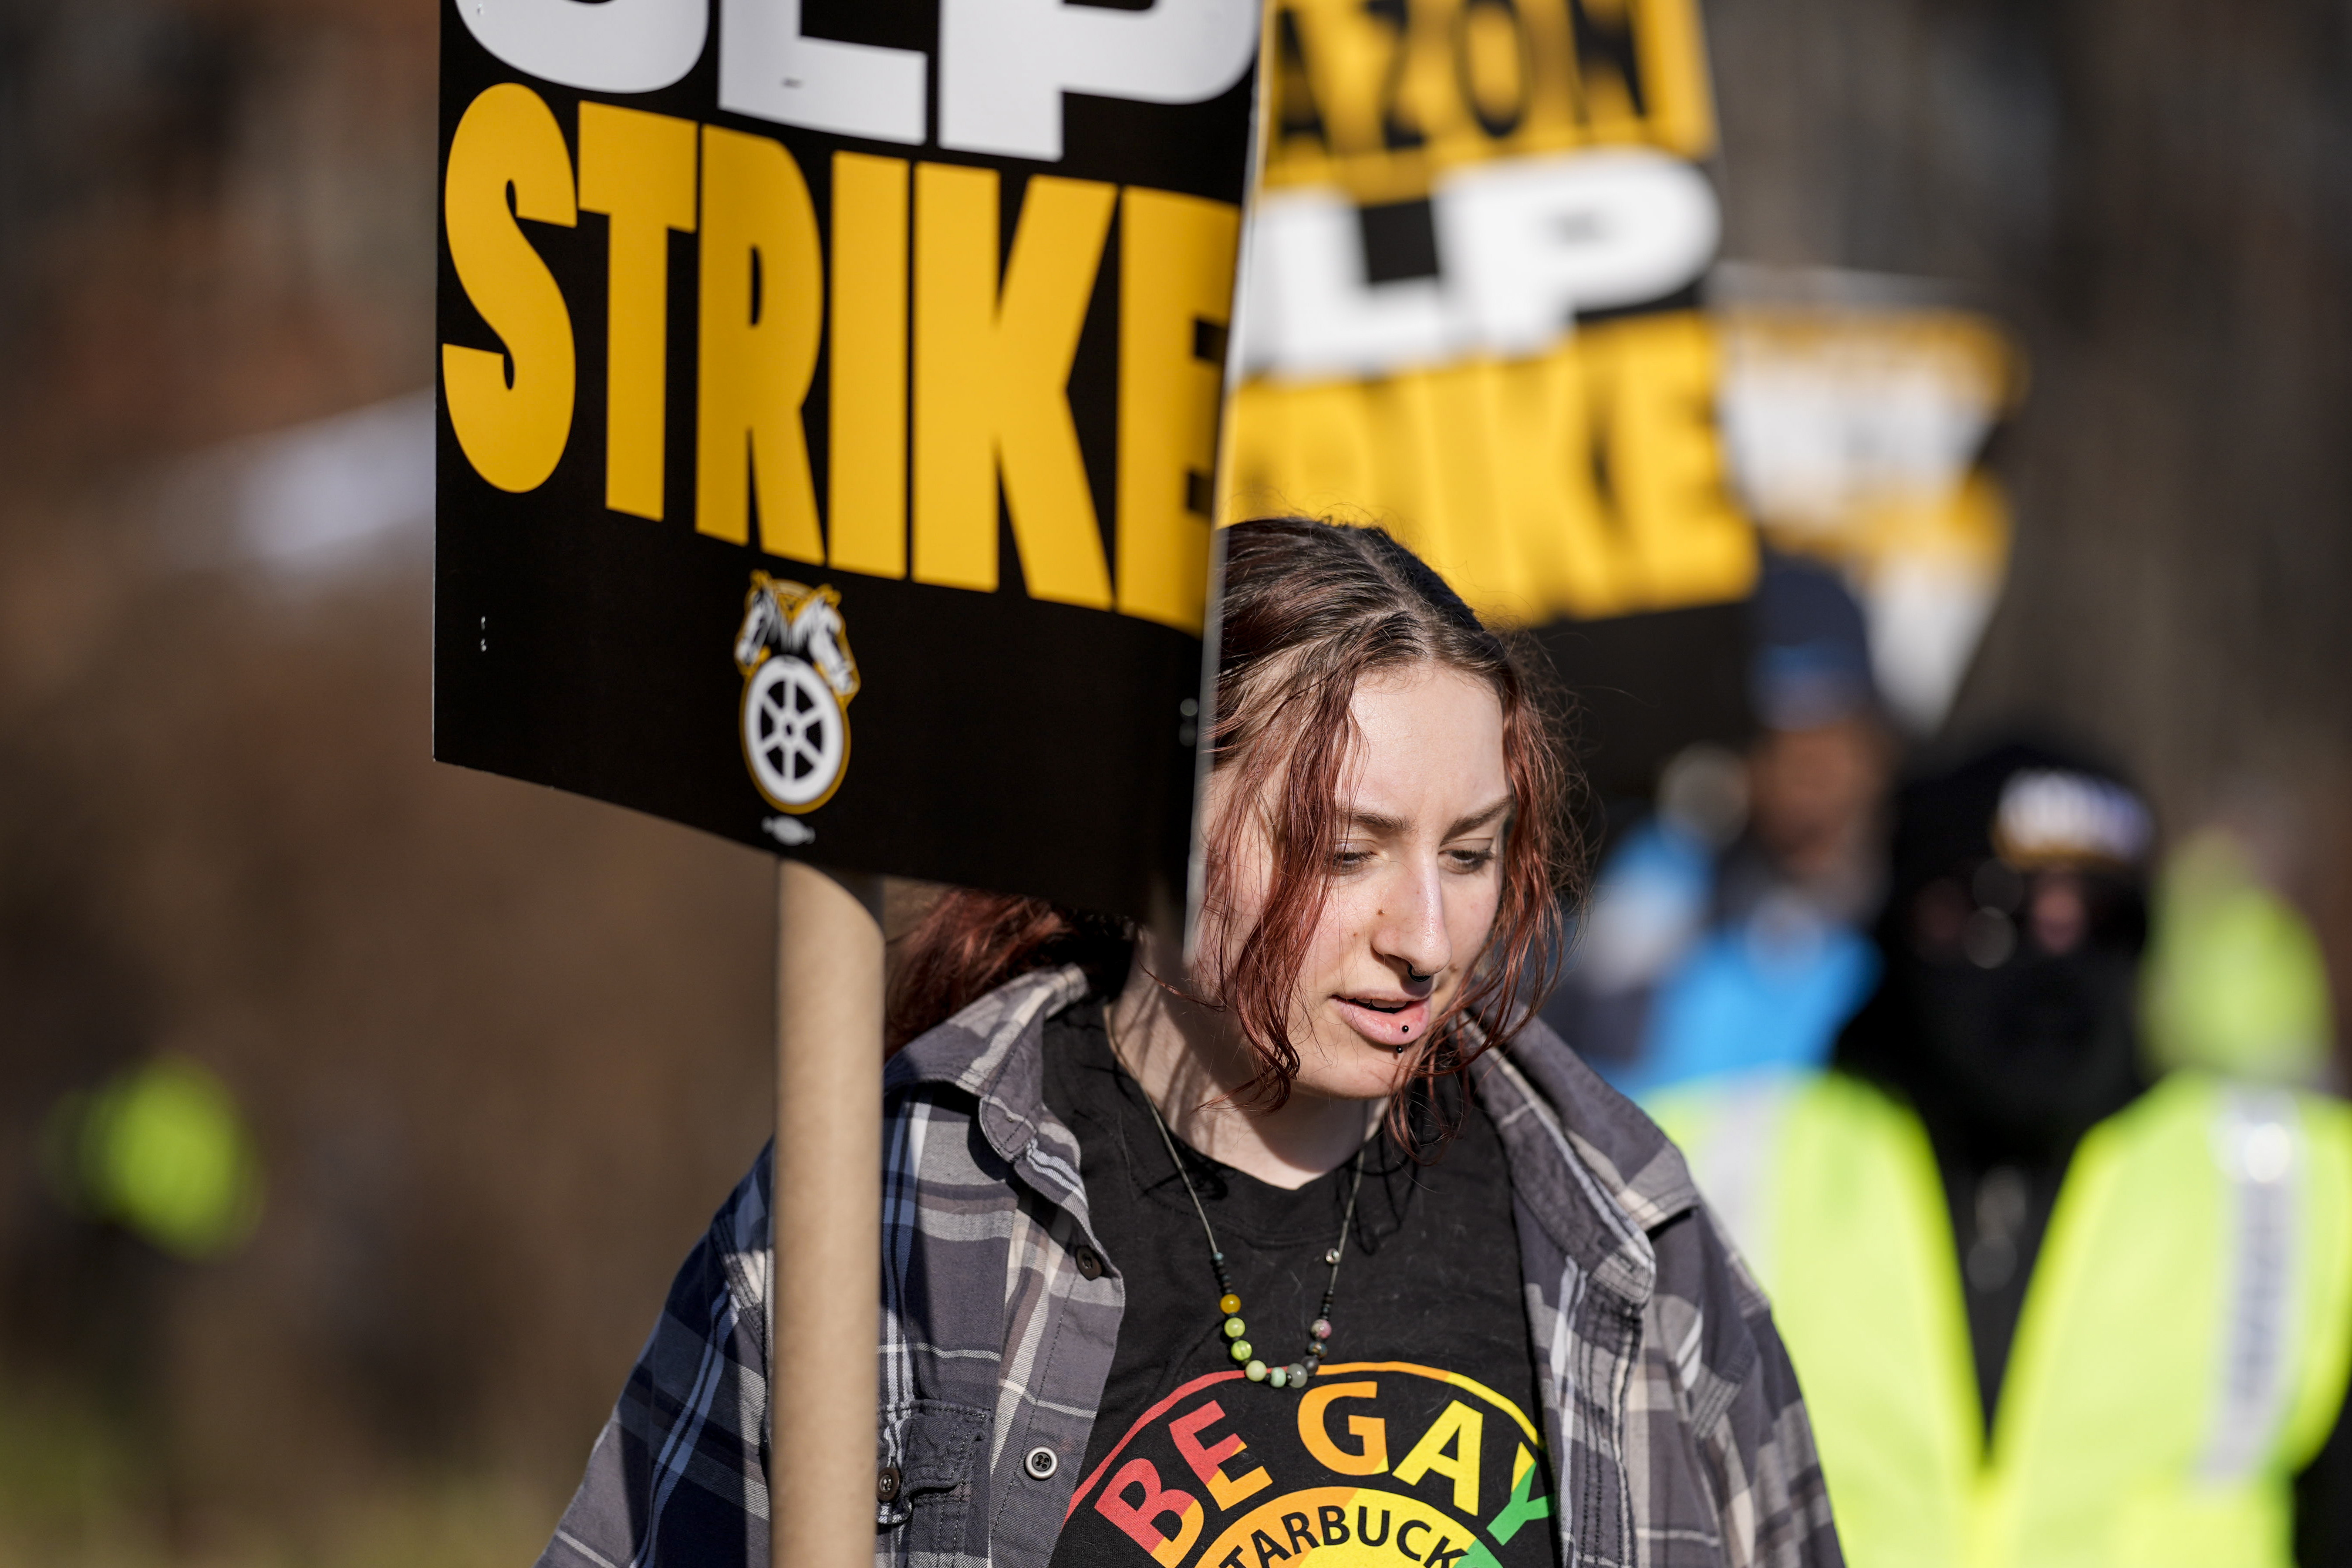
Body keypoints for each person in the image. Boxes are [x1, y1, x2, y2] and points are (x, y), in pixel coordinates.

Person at [535, 518, 1842, 1568]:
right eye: (1347, 850)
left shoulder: (1626, 1233)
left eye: (1472, 852)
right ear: (1151, 827)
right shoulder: (894, 1207)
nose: (1430, 938)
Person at [1650, 743, 2352, 1568]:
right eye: (1994, 912)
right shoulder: (1702, 1165)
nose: (2053, 954)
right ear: (1904, 923)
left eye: (2100, 915)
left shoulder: (2302, 1187)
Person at [1545, 556, 1892, 1100]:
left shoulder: (1925, 903)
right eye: (1774, 736)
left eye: (1832, 729)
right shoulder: (1655, 893)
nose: (1809, 770)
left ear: (1875, 742)